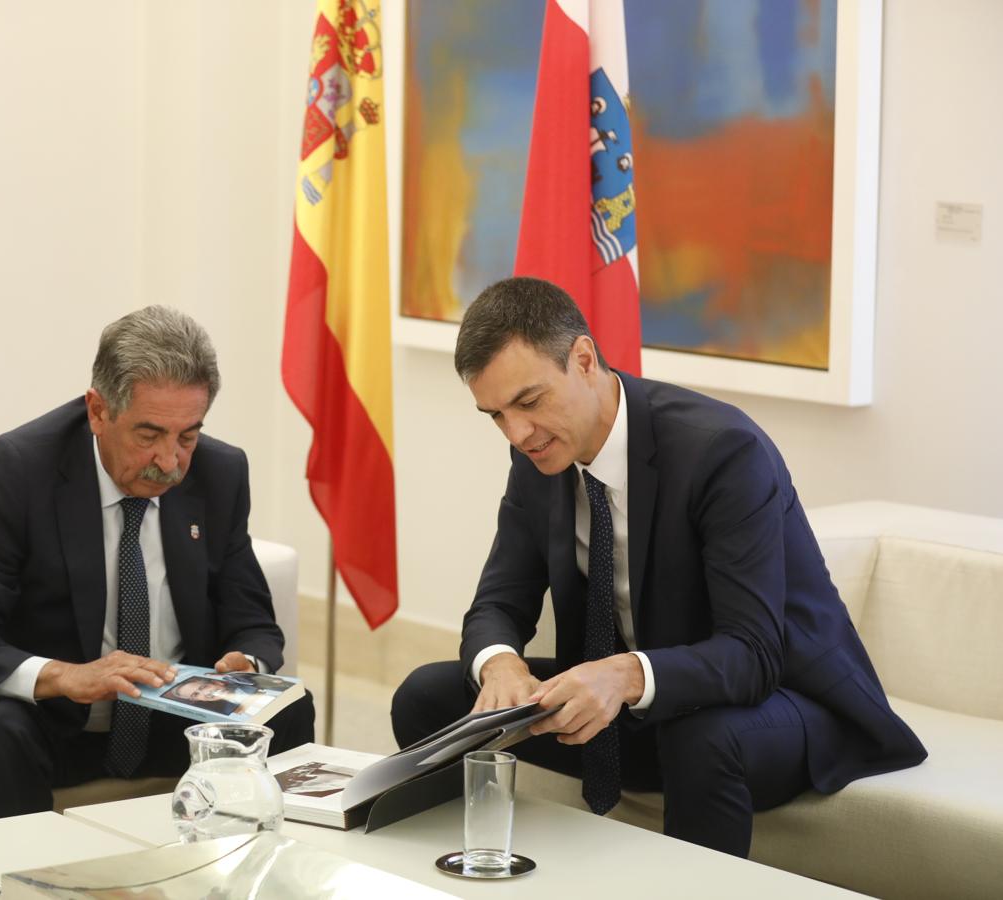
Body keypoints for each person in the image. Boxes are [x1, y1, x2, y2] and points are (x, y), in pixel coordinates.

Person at [390, 277, 925, 857]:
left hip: (784, 704)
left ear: (585, 359)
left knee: (702, 737)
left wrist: (621, 676)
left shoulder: (722, 450)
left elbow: (754, 654)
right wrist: (500, 666)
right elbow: (497, 603)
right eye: (494, 415)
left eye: (528, 401)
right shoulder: (540, 454)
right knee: (429, 697)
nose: (517, 433)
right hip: (647, 710)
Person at [0, 306, 315, 817]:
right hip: (47, 718)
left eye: (187, 436)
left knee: (289, 709)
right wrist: (65, 676)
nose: (170, 462)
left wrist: (244, 667)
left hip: (170, 721)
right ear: (98, 411)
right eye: (149, 435)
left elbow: (252, 621)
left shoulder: (220, 472)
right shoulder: (21, 469)